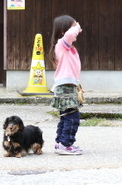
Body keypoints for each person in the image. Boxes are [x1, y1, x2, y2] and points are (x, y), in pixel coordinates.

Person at [49, 15, 84, 155]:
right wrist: (77, 27)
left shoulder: (67, 47)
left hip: (68, 86)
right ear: (64, 31)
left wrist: (78, 86)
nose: (77, 31)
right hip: (65, 87)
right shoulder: (62, 44)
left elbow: (72, 71)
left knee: (66, 116)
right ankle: (65, 144)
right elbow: (70, 33)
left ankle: (60, 143)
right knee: (72, 116)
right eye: (73, 27)